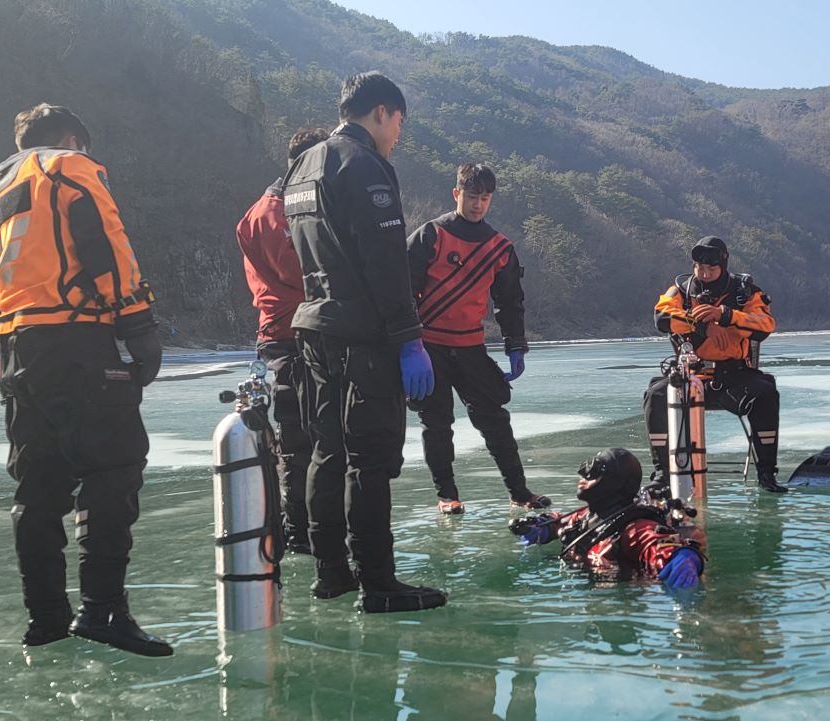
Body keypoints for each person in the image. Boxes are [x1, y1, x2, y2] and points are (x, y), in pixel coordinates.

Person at [0, 103, 170, 655]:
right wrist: (139, 325)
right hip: (77, 338)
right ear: (73, 138)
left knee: (38, 487)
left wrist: (1, 367)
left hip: (17, 350)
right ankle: (103, 610)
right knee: (114, 465)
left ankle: (47, 619)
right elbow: (108, 241)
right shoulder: (68, 166)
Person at [283, 72, 446, 613]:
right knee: (369, 459)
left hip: (315, 327)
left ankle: (331, 572)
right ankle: (377, 581)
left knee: (326, 451)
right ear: (381, 112)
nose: (398, 133)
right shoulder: (364, 164)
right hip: (362, 335)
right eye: (399, 121)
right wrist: (408, 338)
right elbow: (384, 263)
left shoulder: (302, 166)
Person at [405, 163, 550, 514]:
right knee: (436, 423)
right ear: (457, 194)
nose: (478, 205)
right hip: (430, 348)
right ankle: (447, 496)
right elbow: (402, 291)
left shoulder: (500, 247)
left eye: (485, 198)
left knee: (495, 419)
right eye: (472, 197)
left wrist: (515, 345)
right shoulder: (431, 235)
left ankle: (519, 491)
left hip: (471, 346)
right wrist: (406, 345)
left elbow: (510, 302)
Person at [235, 126, 329, 554]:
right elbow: (302, 272)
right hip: (292, 337)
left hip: (279, 335)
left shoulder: (260, 211)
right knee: (300, 441)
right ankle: (302, 530)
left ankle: (304, 527)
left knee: (305, 439)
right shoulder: (278, 213)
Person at [643, 236, 787, 493]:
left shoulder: (745, 292)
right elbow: (661, 316)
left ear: (724, 265)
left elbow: (765, 325)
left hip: (734, 376)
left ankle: (767, 473)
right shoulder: (681, 290)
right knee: (655, 395)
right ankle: (663, 474)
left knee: (765, 393)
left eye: (711, 269)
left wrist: (726, 315)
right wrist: (702, 325)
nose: (705, 274)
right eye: (700, 268)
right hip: (690, 375)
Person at [509, 448, 705, 589]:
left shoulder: (634, 528)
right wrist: (540, 527)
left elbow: (657, 544)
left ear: (614, 482)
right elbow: (561, 523)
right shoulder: (586, 517)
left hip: (618, 602)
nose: (583, 477)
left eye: (594, 472)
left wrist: (686, 557)